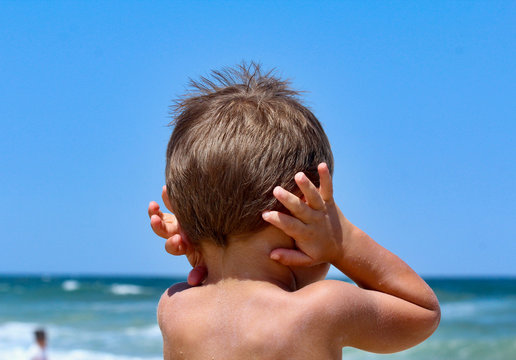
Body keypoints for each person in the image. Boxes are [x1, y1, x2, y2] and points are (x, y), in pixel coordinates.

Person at [149, 63, 440, 359]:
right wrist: (342, 242)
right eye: (322, 212)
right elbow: (422, 311)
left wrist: (201, 236)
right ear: (300, 209)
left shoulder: (174, 307)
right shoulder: (320, 309)